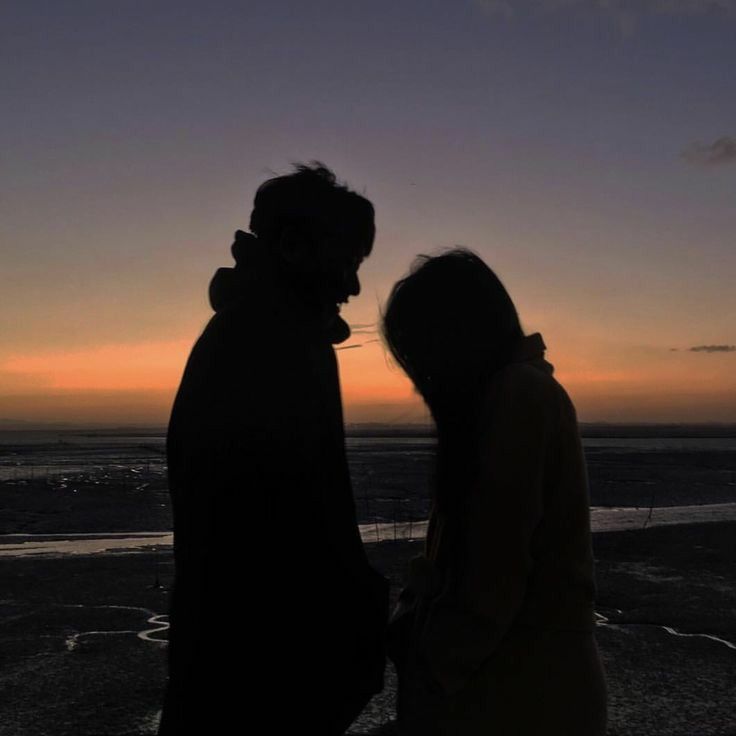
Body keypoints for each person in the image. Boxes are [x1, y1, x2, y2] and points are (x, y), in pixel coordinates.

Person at [159, 163, 389, 735]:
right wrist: (355, 624)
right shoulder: (271, 344)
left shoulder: (272, 334)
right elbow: (287, 528)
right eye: (348, 262)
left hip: (241, 663)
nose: (354, 286)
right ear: (292, 246)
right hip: (259, 674)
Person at [382, 249, 607, 735]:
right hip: (525, 685)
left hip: (522, 693)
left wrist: (433, 665)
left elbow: (493, 567)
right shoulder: (517, 394)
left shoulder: (516, 396)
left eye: (419, 349)